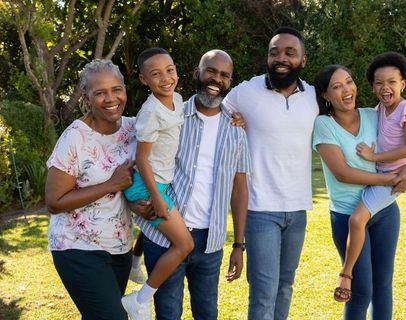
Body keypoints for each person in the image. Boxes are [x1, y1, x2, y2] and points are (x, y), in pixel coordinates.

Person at [135, 49, 250, 320]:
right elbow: (140, 161)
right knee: (167, 313)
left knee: (207, 313)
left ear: (229, 82)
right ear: (197, 73)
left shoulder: (236, 128)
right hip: (164, 237)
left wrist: (238, 245)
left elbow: (240, 189)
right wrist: (135, 202)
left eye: (224, 75)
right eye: (211, 71)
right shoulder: (171, 116)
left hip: (211, 242)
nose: (216, 78)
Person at [222, 27, 318, 320]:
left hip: (298, 210)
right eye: (274, 52)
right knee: (264, 291)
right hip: (260, 209)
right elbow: (213, 109)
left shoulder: (315, 97)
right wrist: (232, 121)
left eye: (290, 52)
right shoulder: (247, 91)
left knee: (285, 287)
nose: (281, 58)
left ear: (303, 60)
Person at [312, 64, 406, 319]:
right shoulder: (324, 125)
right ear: (326, 96)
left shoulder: (374, 115)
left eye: (349, 82)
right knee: (361, 290)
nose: (346, 90)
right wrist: (389, 180)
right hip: (347, 215)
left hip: (384, 212)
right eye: (336, 87)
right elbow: (343, 173)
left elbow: (404, 144)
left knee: (383, 285)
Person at [45, 59, 137, 319]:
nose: (111, 98)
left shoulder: (133, 128)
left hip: (119, 246)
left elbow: (171, 119)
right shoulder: (75, 137)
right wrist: (111, 184)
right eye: (100, 92)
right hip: (77, 247)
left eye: (116, 89)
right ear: (87, 97)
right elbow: (54, 201)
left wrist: (234, 118)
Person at [334, 52, 406, 303]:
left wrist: (376, 158)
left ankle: (346, 273)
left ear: (403, 84)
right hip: (381, 176)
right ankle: (349, 272)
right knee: (358, 221)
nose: (385, 88)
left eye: (392, 82)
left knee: (356, 218)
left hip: (391, 178)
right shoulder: (378, 111)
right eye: (378, 82)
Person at [121, 47, 194, 319]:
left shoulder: (176, 97)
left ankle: (135, 260)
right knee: (184, 244)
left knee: (161, 230)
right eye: (155, 74)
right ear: (143, 80)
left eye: (170, 70)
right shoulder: (151, 112)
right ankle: (139, 299)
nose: (165, 78)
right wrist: (157, 198)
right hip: (146, 183)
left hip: (160, 181)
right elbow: (141, 159)